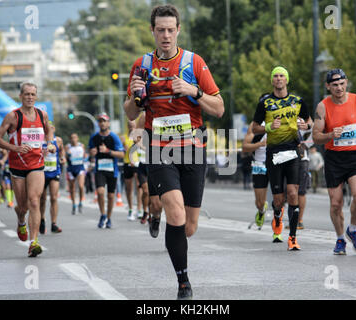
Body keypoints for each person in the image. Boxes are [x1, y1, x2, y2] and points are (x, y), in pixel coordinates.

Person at [124, 4, 224, 300]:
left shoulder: (194, 63)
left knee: (189, 227)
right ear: (152, 31)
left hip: (192, 148)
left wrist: (194, 92)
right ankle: (183, 282)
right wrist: (136, 95)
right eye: (160, 30)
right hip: (160, 147)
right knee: (176, 213)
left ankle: (157, 214)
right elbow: (129, 110)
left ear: (178, 30)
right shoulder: (141, 65)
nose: (165, 35)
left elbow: (219, 109)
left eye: (171, 30)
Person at [312, 69, 356, 255]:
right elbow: (316, 137)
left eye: (341, 84)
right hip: (334, 158)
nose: (339, 88)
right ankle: (340, 238)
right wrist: (330, 135)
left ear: (346, 82)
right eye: (334, 85)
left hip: (355, 156)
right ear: (328, 86)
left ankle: (353, 229)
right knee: (336, 204)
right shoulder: (322, 107)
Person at [252, 66, 312, 251]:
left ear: (287, 80)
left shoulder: (298, 101)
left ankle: (292, 238)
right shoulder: (265, 102)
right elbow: (255, 128)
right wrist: (269, 127)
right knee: (278, 199)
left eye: (281, 76)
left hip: (293, 152)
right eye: (275, 76)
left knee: (293, 193)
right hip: (274, 154)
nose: (278, 79)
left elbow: (309, 122)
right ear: (272, 81)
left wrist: (305, 125)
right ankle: (277, 214)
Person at [0, 82, 56, 258]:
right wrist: (15, 148)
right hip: (18, 166)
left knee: (34, 201)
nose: (30, 97)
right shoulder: (13, 117)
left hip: (37, 163)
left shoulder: (42, 114)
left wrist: (50, 144)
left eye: (33, 94)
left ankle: (33, 242)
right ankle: (21, 221)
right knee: (22, 207)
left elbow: (49, 130)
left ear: (36, 97)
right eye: (27, 94)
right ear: (20, 96)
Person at [89, 113, 125, 229]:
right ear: (98, 124)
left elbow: (121, 154)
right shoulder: (94, 137)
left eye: (104, 121)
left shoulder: (114, 137)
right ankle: (103, 214)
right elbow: (90, 151)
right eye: (100, 121)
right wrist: (92, 153)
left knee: (110, 196)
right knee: (100, 192)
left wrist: (108, 151)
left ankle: (109, 218)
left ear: (108, 123)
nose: (102, 123)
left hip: (112, 170)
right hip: (99, 169)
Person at [40, 121, 65, 234]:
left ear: (53, 129)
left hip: (54, 172)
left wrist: (62, 158)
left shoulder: (58, 140)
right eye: (45, 128)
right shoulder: (39, 140)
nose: (48, 130)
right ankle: (41, 220)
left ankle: (54, 223)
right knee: (42, 199)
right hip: (41, 173)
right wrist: (41, 154)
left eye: (50, 128)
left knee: (54, 198)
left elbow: (62, 152)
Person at [242, 122, 268, 230]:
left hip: (276, 162)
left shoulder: (281, 118)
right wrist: (260, 144)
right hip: (259, 164)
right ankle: (261, 210)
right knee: (259, 202)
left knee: (279, 198)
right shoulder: (255, 124)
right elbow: (245, 147)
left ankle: (277, 228)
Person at [120, 120, 140, 221]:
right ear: (127, 126)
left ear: (135, 126)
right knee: (129, 188)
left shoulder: (138, 136)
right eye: (130, 125)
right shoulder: (123, 137)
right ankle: (131, 209)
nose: (131, 127)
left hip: (136, 163)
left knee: (139, 186)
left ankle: (140, 209)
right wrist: (123, 147)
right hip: (127, 163)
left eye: (133, 125)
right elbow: (121, 151)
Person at [66, 133, 87, 215]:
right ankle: (74, 204)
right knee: (72, 188)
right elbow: (65, 157)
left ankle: (81, 202)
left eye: (75, 137)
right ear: (70, 139)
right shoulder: (67, 147)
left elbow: (85, 156)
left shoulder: (82, 145)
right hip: (71, 169)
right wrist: (68, 154)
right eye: (72, 138)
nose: (73, 139)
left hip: (80, 168)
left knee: (81, 186)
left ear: (77, 138)